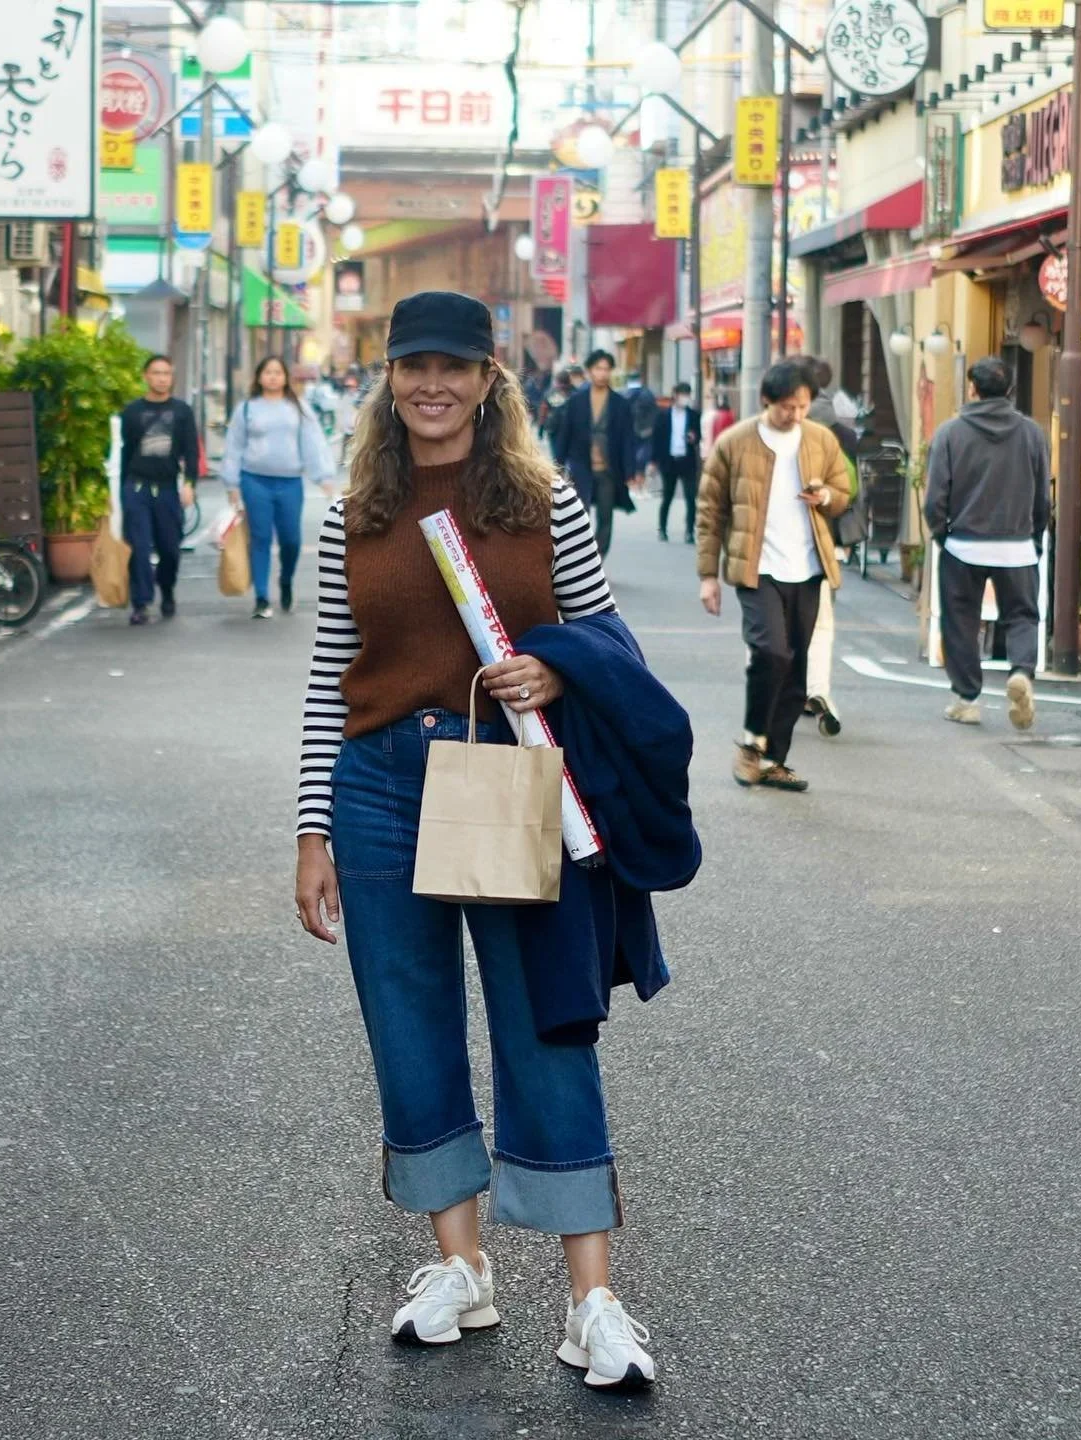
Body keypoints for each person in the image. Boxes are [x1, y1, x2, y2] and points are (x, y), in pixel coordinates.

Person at [294, 290, 664, 1390]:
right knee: (406, 1027)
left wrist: (556, 668)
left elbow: (611, 645)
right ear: (389, 377)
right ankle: (460, 1266)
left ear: (492, 378)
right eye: (414, 367)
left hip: (502, 770)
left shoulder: (550, 505)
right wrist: (312, 826)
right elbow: (329, 681)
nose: (433, 387)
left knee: (542, 1020)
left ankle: (591, 1297)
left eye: (455, 367)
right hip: (376, 784)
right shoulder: (353, 512)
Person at [696, 360, 850, 792]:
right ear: (767, 400)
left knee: (797, 668)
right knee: (770, 651)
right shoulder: (736, 442)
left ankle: (773, 759)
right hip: (756, 567)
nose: (796, 415)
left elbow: (843, 491)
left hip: (808, 569)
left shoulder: (820, 439)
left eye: (803, 406)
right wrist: (708, 575)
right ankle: (750, 743)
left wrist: (826, 496)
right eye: (787, 407)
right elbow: (710, 513)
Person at [923, 355, 1049, 730]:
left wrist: (942, 532)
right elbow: (1042, 495)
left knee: (961, 621)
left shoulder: (950, 432)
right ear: (1010, 390)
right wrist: (1035, 537)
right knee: (1022, 615)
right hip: (1018, 545)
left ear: (972, 389)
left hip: (963, 544)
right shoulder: (1031, 433)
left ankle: (967, 700)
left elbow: (935, 498)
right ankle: (1022, 672)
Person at [223, 356, 335, 619]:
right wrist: (232, 485)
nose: (273, 377)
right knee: (260, 538)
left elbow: (313, 444)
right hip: (255, 481)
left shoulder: (298, 408)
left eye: (277, 372)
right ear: (259, 377)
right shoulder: (247, 409)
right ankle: (261, 597)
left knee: (291, 540)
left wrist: (324, 478)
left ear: (285, 377)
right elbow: (234, 447)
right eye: (268, 372)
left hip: (289, 483)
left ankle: (286, 580)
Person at [798, 357, 858, 737]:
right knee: (821, 622)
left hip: (778, 547)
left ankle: (789, 690)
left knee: (775, 631)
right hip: (828, 539)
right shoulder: (845, 433)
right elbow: (854, 491)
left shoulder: (775, 432)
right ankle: (816, 690)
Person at [119, 355, 199, 627]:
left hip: (167, 489)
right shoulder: (131, 412)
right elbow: (123, 454)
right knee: (139, 547)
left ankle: (166, 589)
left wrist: (189, 483)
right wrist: (118, 492)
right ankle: (140, 603)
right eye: (156, 373)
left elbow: (191, 450)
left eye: (166, 373)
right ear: (146, 376)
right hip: (137, 487)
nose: (161, 378)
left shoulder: (182, 411)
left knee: (170, 549)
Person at [552, 350, 640, 557]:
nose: (603, 373)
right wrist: (557, 466)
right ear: (590, 371)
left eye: (606, 369)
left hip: (608, 469)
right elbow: (565, 434)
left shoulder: (620, 403)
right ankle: (581, 557)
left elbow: (628, 439)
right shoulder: (577, 401)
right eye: (598, 368)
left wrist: (630, 471)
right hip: (582, 466)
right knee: (579, 517)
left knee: (605, 516)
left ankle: (598, 558)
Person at [652, 382, 700, 543]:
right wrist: (653, 461)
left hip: (687, 461)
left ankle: (689, 531)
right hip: (669, 461)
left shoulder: (693, 415)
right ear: (675, 395)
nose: (684, 398)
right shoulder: (663, 415)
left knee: (690, 498)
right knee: (667, 496)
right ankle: (662, 529)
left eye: (687, 395)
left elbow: (698, 435)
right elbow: (656, 440)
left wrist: (694, 438)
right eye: (682, 395)